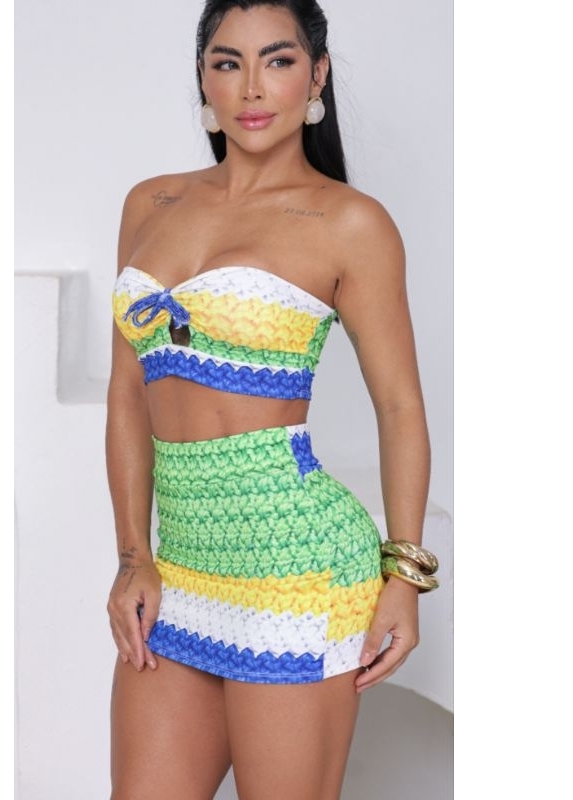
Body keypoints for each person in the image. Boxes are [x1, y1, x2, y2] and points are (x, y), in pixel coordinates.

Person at [105, 2, 438, 798]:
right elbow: (126, 397)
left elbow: (400, 407)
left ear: (316, 75)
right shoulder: (150, 202)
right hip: (180, 565)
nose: (252, 88)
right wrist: (133, 557)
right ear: (204, 77)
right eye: (228, 63)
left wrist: (404, 577)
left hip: (298, 570)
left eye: (278, 61)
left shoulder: (350, 223)